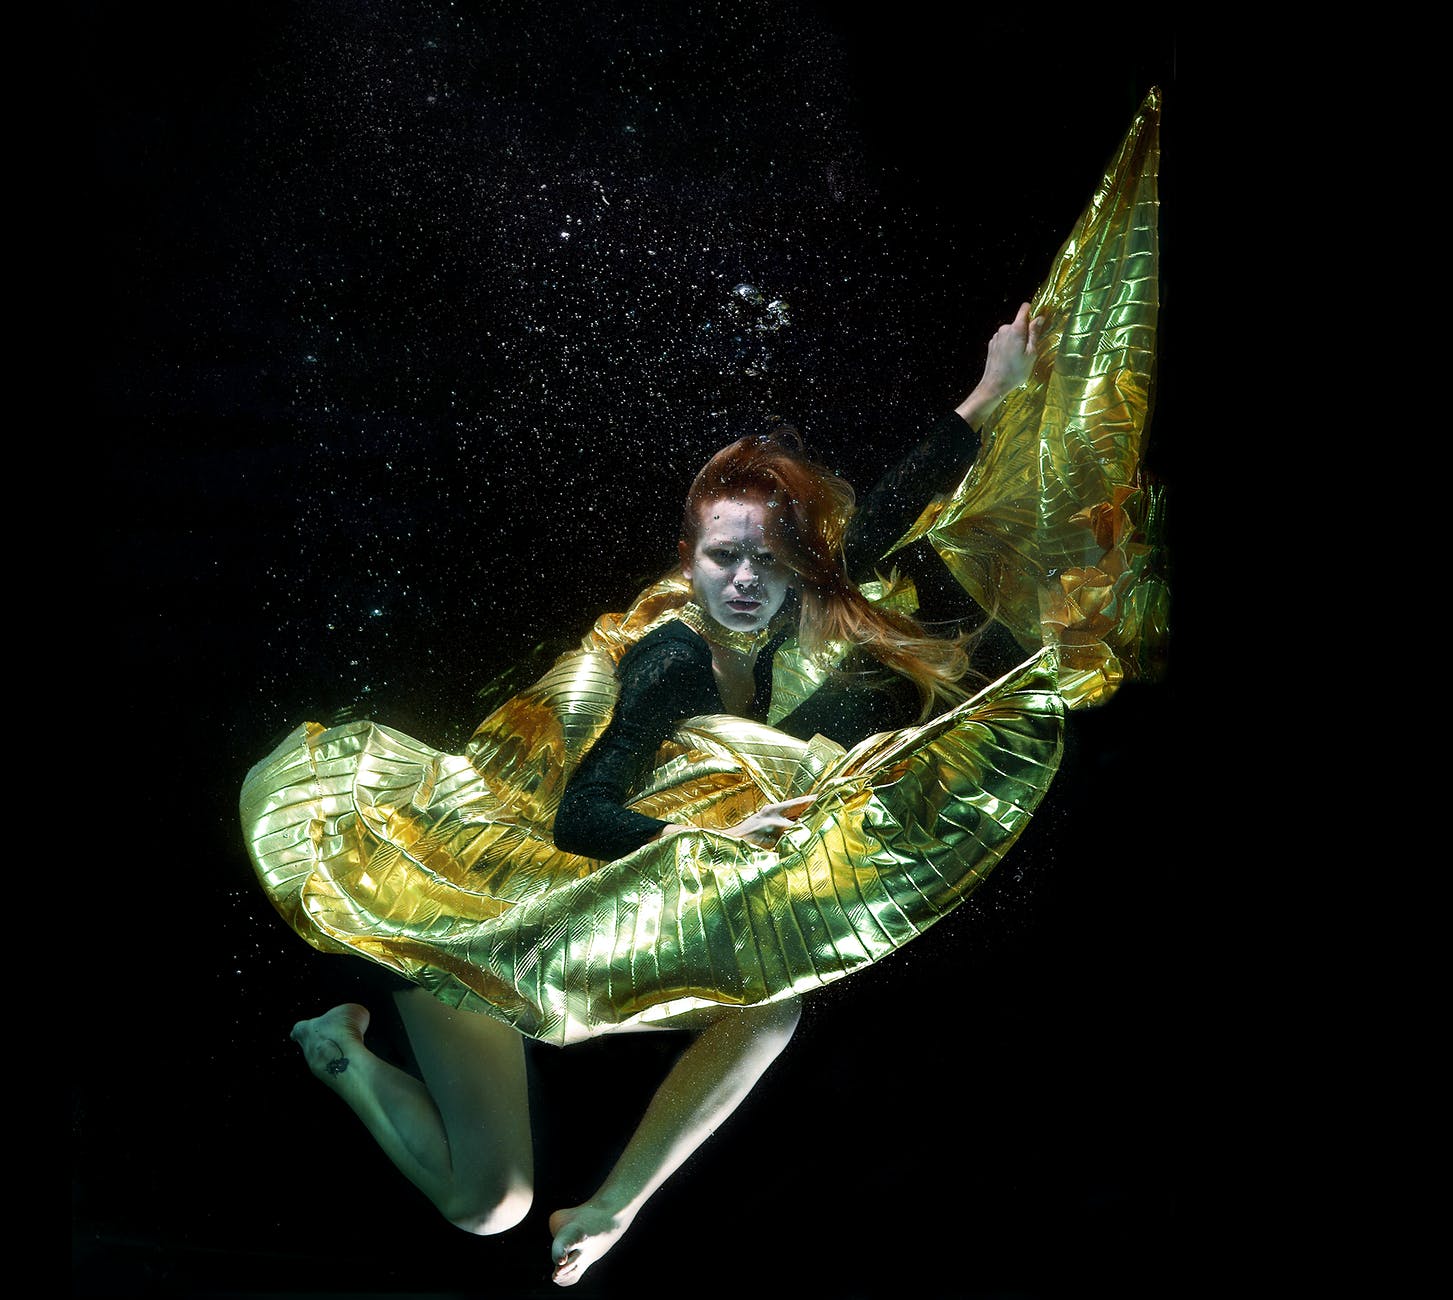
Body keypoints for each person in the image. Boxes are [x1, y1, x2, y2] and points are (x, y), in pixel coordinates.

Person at [280, 305, 1042, 1286]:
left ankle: (607, 1207)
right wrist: (712, 851)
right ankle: (335, 1047)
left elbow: (877, 524)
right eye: (723, 557)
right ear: (692, 559)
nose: (743, 580)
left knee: (766, 1009)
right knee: (486, 1204)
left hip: (578, 923)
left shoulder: (775, 611)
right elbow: (581, 813)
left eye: (767, 562)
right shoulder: (674, 662)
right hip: (470, 921)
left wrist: (989, 395)